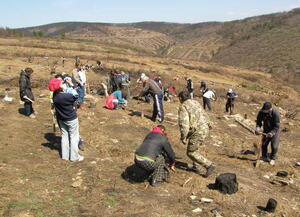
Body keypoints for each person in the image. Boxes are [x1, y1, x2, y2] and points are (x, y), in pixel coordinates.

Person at [178, 91, 216, 177]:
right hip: (204, 128)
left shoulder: (183, 106)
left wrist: (183, 137)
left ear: (180, 98)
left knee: (191, 152)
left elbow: (184, 123)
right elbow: (204, 113)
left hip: (197, 131)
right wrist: (209, 124)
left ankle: (209, 165)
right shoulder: (195, 102)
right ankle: (196, 167)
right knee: (195, 148)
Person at [49, 78, 84, 162]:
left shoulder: (55, 96)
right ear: (59, 87)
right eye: (62, 83)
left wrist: (65, 87)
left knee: (64, 136)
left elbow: (65, 92)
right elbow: (76, 95)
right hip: (71, 118)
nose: (63, 84)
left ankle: (65, 156)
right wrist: (71, 84)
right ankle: (74, 157)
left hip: (61, 118)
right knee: (73, 137)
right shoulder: (66, 96)